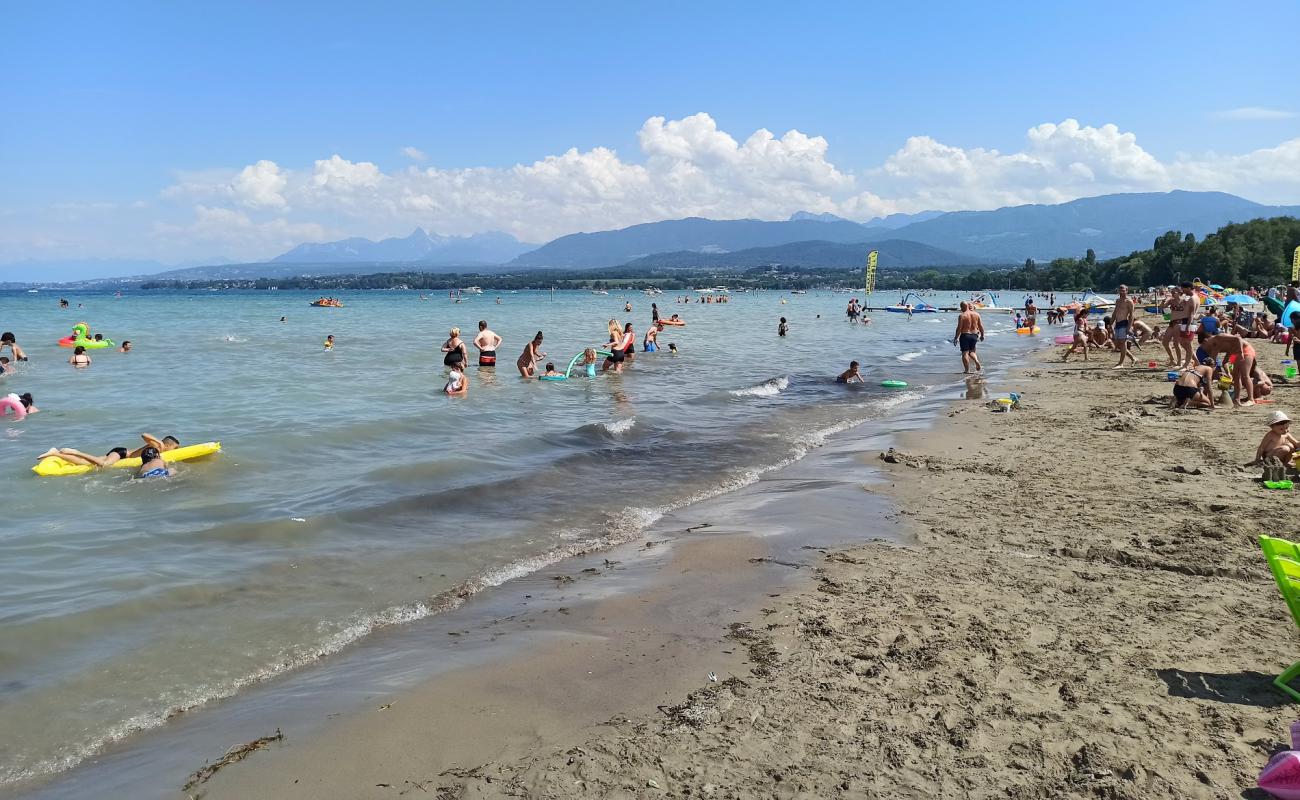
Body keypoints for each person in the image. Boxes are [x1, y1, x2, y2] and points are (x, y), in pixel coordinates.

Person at [39, 434, 180, 468]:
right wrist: (159, 442)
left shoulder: (160, 450)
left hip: (121, 454)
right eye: (175, 447)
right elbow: (144, 435)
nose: (177, 450)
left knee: (86, 463)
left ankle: (58, 453)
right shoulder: (159, 447)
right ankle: (74, 451)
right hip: (122, 453)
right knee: (103, 465)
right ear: (168, 445)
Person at [1202, 332, 1257, 406]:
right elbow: (1214, 364)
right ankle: (1236, 399)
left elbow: (1238, 338)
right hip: (1234, 353)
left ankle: (1251, 399)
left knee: (1245, 375)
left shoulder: (1219, 337)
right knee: (1236, 376)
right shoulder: (1214, 348)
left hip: (1245, 350)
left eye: (1204, 346)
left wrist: (1240, 353)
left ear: (1206, 341)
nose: (1205, 348)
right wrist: (1224, 374)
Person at [952, 301, 985, 374]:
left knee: (965, 353)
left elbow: (959, 328)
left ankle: (967, 370)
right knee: (972, 351)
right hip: (974, 335)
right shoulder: (977, 314)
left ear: (963, 307)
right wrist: (982, 335)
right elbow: (980, 326)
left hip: (965, 335)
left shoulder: (962, 315)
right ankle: (976, 361)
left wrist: (956, 337)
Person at [1110, 285, 1136, 368]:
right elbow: (1115, 313)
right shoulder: (1117, 300)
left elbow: (1132, 315)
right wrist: (1110, 323)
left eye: (1123, 290)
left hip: (1124, 323)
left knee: (1122, 343)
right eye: (1120, 290)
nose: (1121, 291)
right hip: (1117, 323)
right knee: (1118, 344)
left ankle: (1121, 363)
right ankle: (1133, 358)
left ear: (1126, 291)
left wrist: (1129, 328)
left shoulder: (1129, 301)